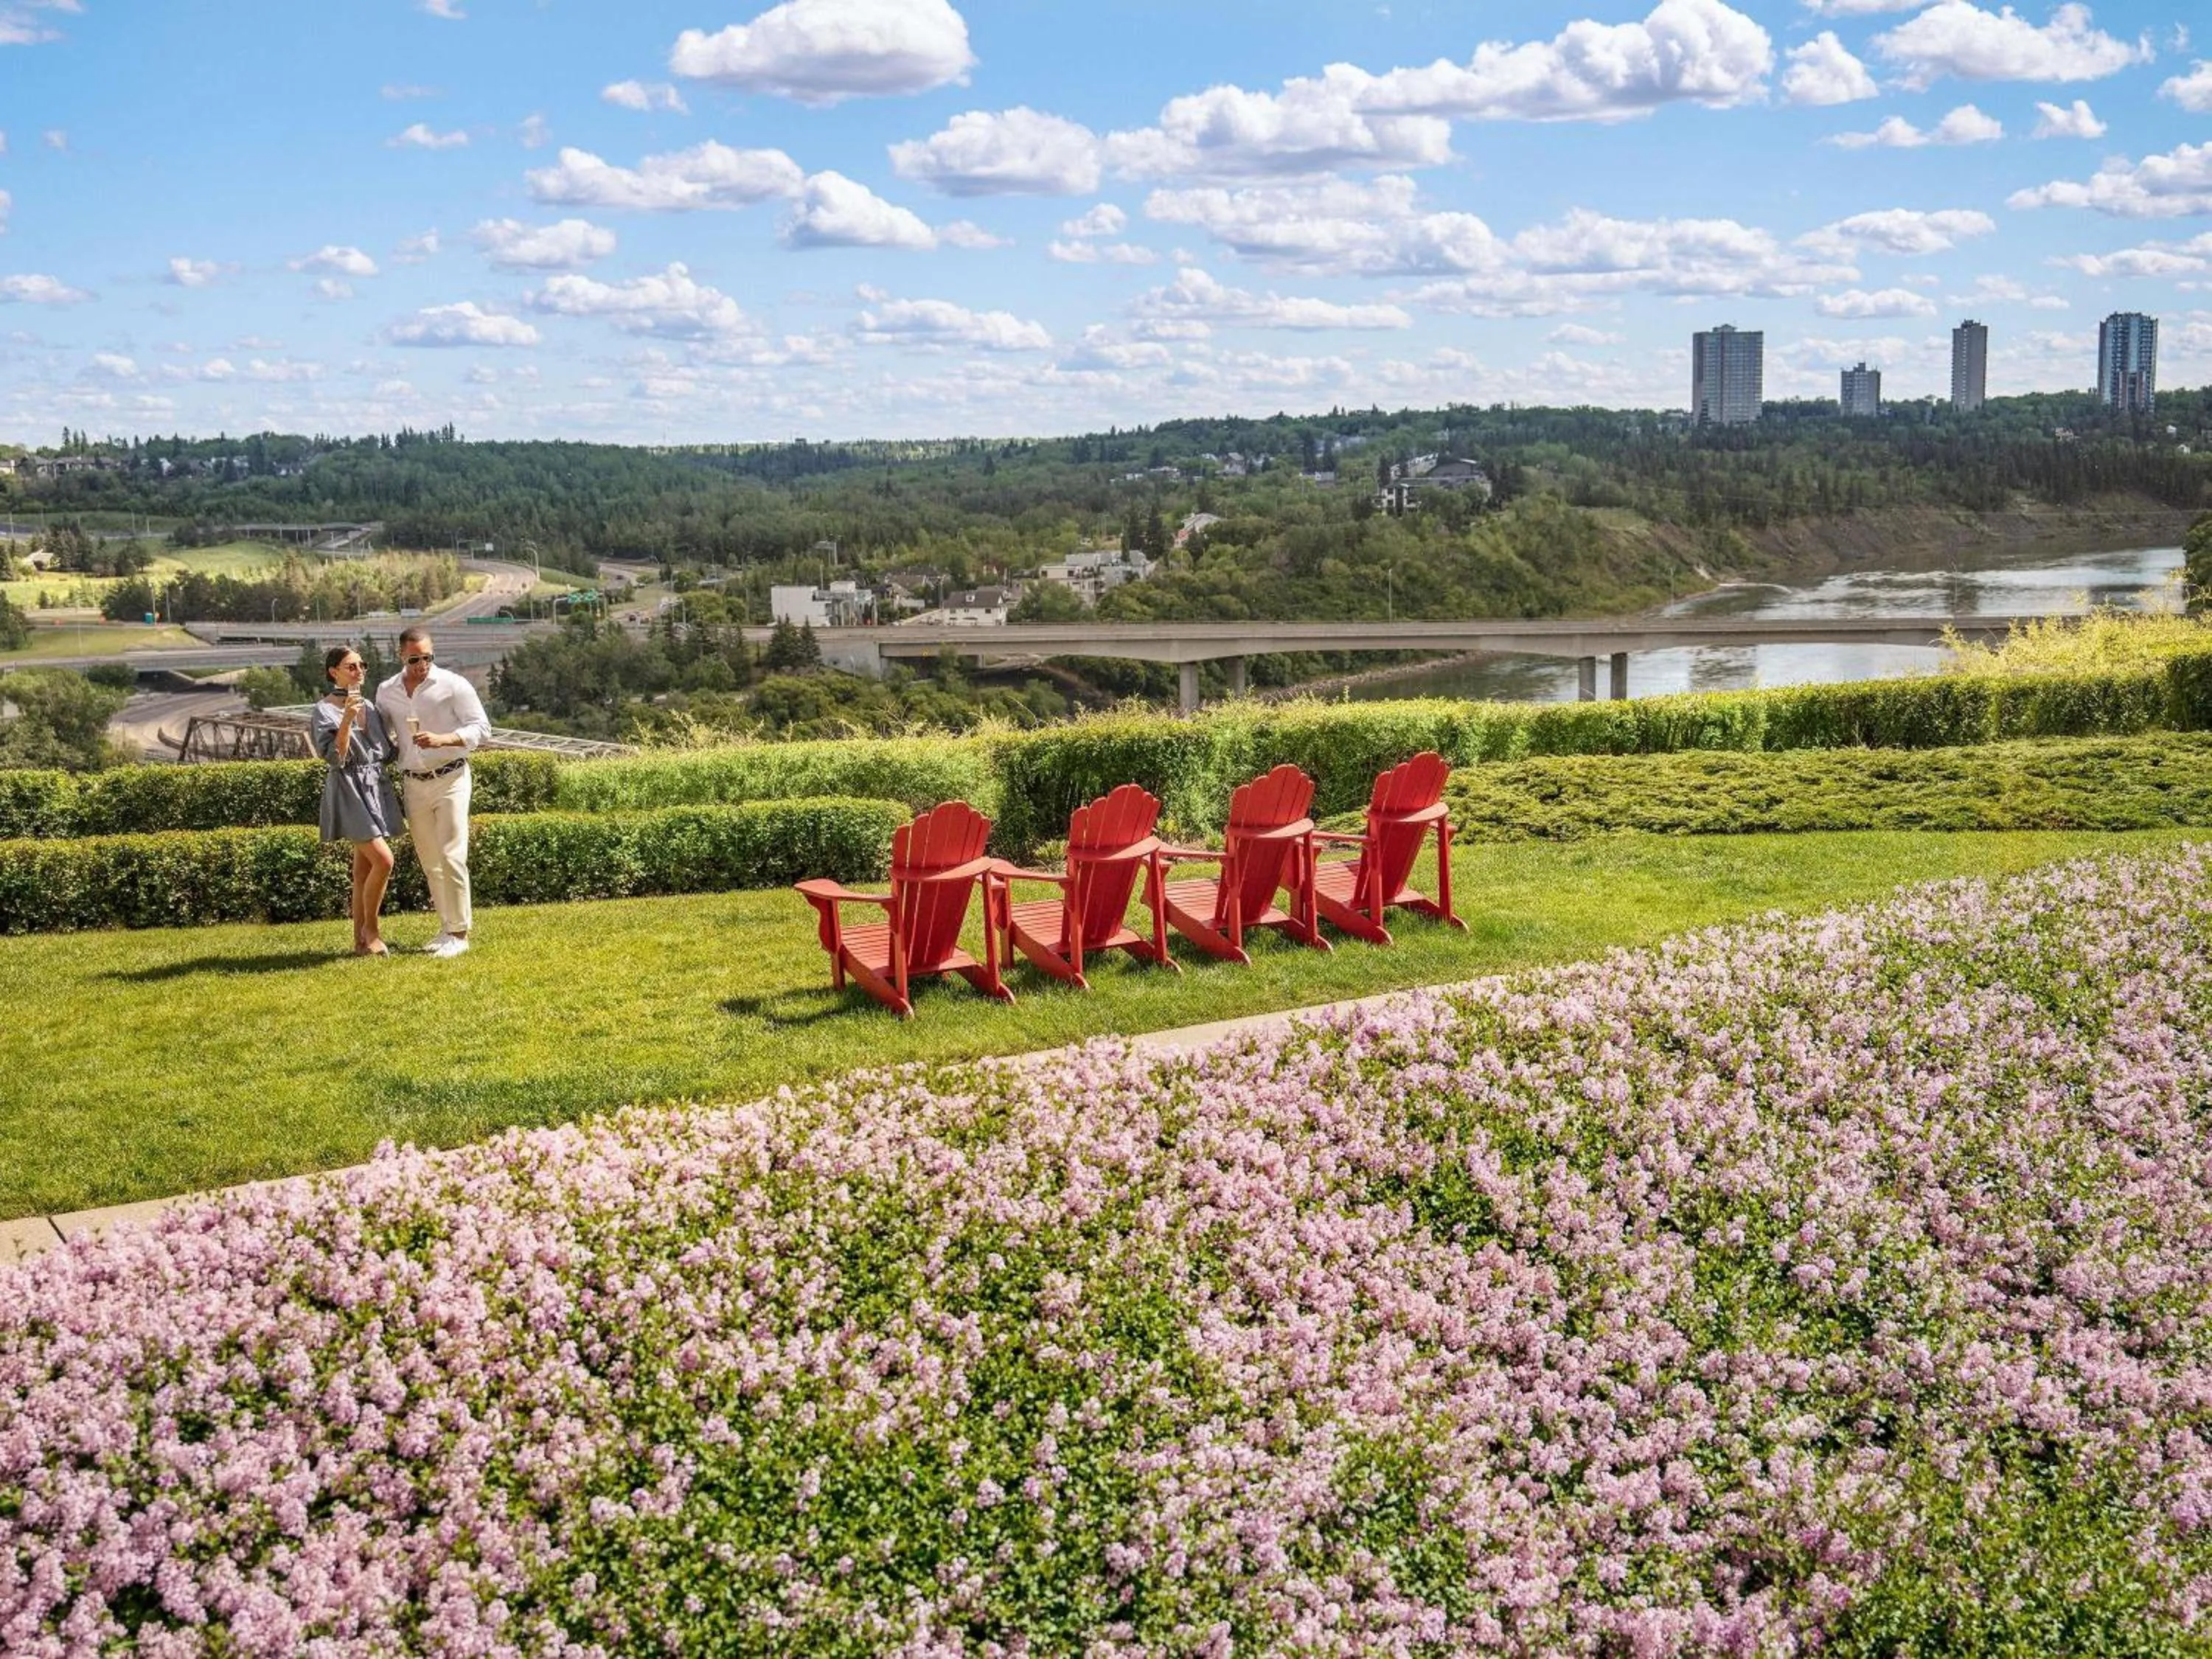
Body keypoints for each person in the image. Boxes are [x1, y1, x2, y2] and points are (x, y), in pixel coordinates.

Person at [375, 626, 491, 958]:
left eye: (428, 657)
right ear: (401, 655)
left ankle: (460, 934)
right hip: (413, 782)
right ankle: (446, 928)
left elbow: (482, 728)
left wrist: (445, 740)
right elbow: (381, 736)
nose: (422, 664)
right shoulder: (386, 691)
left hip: (451, 777)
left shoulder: (454, 685)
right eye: (414, 659)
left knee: (453, 855)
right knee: (430, 861)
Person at [311, 646, 403, 958]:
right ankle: (372, 932)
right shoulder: (324, 710)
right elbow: (335, 758)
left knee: (363, 871)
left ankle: (360, 944)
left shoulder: (371, 707)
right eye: (351, 666)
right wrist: (347, 720)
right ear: (333, 672)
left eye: (362, 665)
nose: (359, 671)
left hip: (374, 786)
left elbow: (386, 752)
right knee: (384, 861)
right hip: (348, 789)